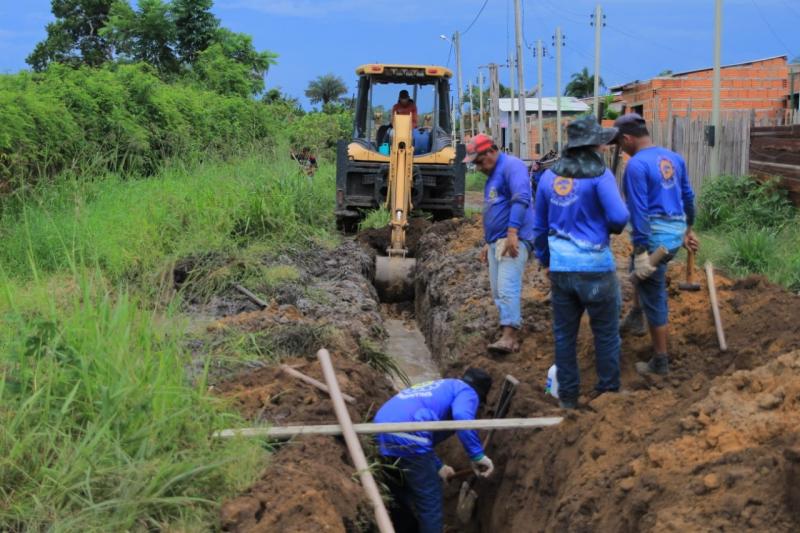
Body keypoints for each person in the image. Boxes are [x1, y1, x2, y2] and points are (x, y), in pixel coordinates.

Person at [532, 116, 630, 409]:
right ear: (594, 145)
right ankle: (608, 392)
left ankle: (569, 398)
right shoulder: (600, 176)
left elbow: (539, 228)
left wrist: (545, 261)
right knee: (605, 333)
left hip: (561, 270)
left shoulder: (549, 178)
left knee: (564, 336)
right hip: (596, 269)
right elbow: (620, 217)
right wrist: (606, 227)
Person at [614, 113, 699, 376]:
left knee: (652, 289)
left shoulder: (636, 166)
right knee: (636, 272)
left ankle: (660, 360)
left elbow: (639, 211)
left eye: (618, 142)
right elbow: (688, 196)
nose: (619, 147)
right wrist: (687, 229)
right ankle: (636, 315)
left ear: (627, 138)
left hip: (654, 239)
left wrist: (641, 249)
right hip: (673, 234)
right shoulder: (674, 158)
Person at [374, 369, 494, 533]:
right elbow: (461, 416)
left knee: (399, 490)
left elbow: (424, 430)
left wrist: (438, 466)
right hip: (407, 434)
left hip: (380, 430)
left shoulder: (446, 386)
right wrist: (477, 455)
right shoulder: (468, 392)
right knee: (430, 500)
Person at [465, 133, 536, 354]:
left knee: (507, 287)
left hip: (514, 239)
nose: (478, 168)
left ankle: (510, 337)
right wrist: (489, 242)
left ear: (491, 152)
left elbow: (521, 198)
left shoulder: (511, 167)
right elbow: (496, 209)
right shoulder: (494, 174)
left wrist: (513, 232)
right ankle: (507, 331)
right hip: (499, 240)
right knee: (497, 290)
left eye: (479, 162)